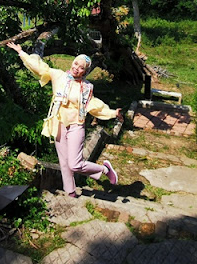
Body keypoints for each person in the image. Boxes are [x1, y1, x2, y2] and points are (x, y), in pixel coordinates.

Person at [7, 42, 123, 198]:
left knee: (75, 164)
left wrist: (113, 113)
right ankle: (71, 191)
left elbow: (94, 106)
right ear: (72, 62)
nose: (77, 68)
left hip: (77, 125)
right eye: (76, 63)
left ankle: (104, 169)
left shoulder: (87, 87)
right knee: (64, 162)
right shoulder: (59, 76)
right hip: (59, 125)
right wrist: (21, 52)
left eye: (81, 67)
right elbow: (39, 67)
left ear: (85, 71)